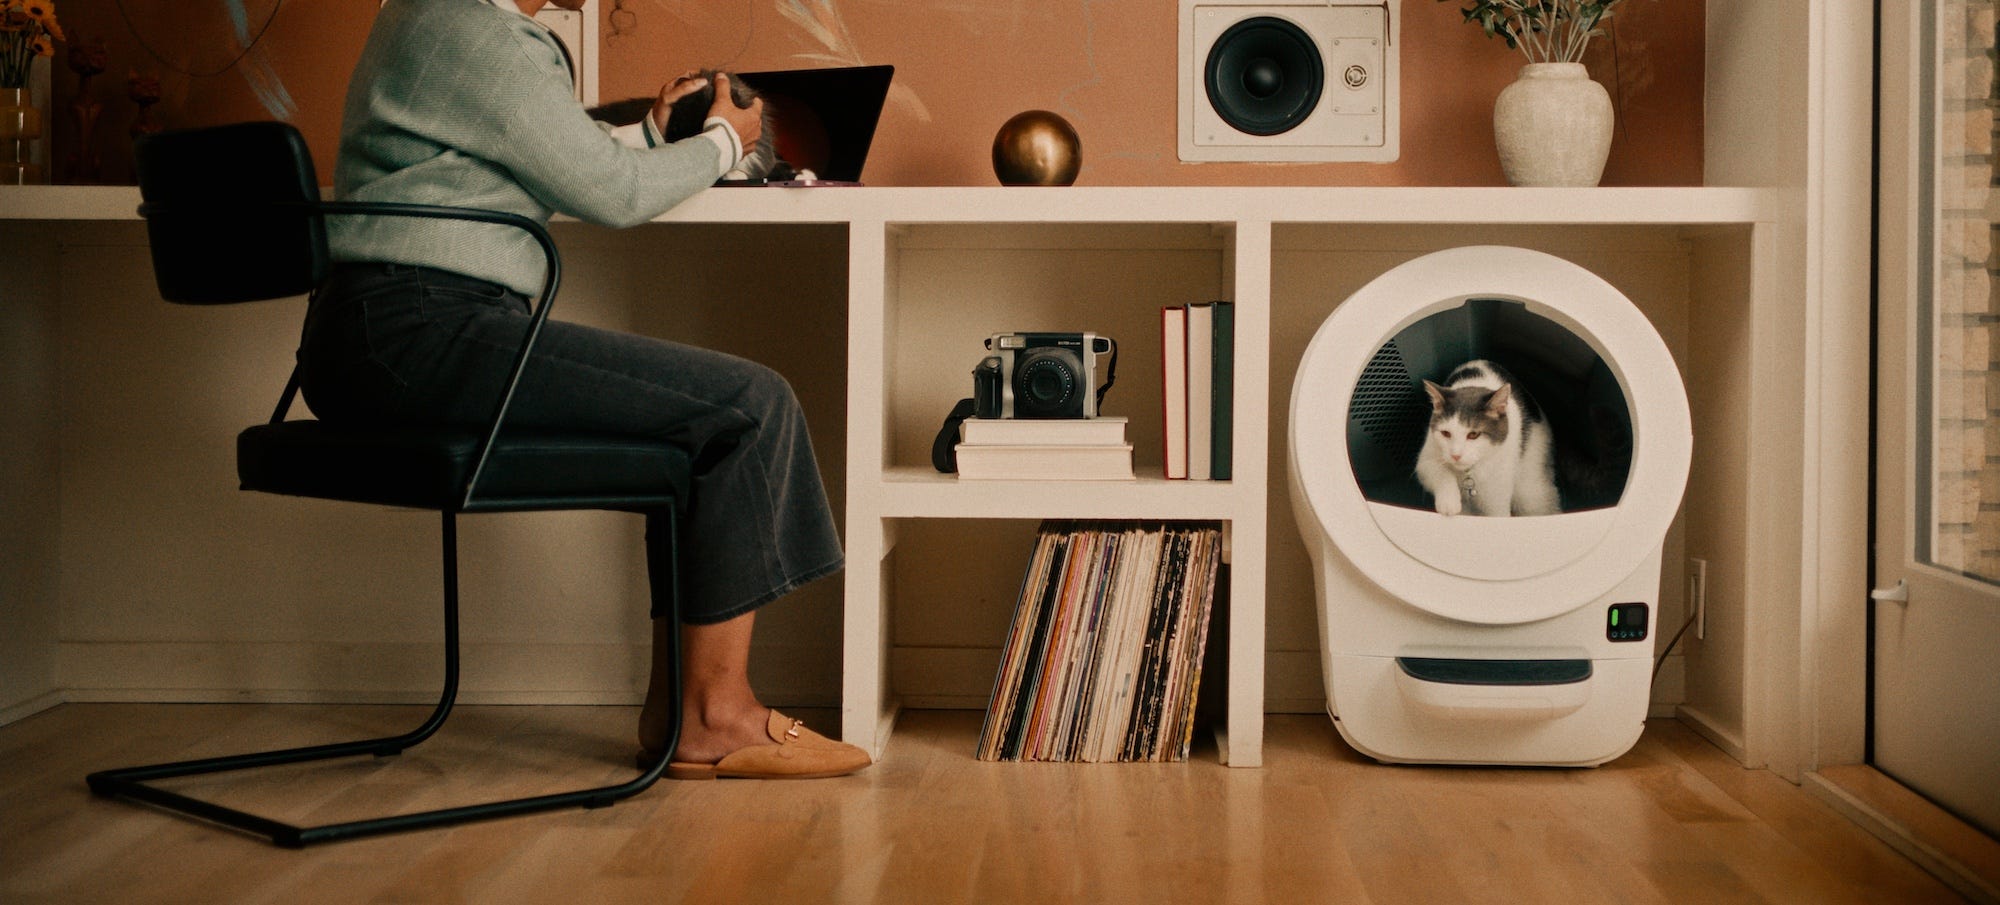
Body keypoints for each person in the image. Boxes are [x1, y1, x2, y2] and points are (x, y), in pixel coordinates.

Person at [300, 0, 869, 780]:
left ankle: (683, 713)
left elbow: (530, 162)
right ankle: (717, 714)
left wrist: (649, 138)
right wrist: (720, 142)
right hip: (419, 330)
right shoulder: (477, 28)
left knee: (697, 432)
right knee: (750, 404)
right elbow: (613, 196)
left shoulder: (438, 17)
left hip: (387, 331)